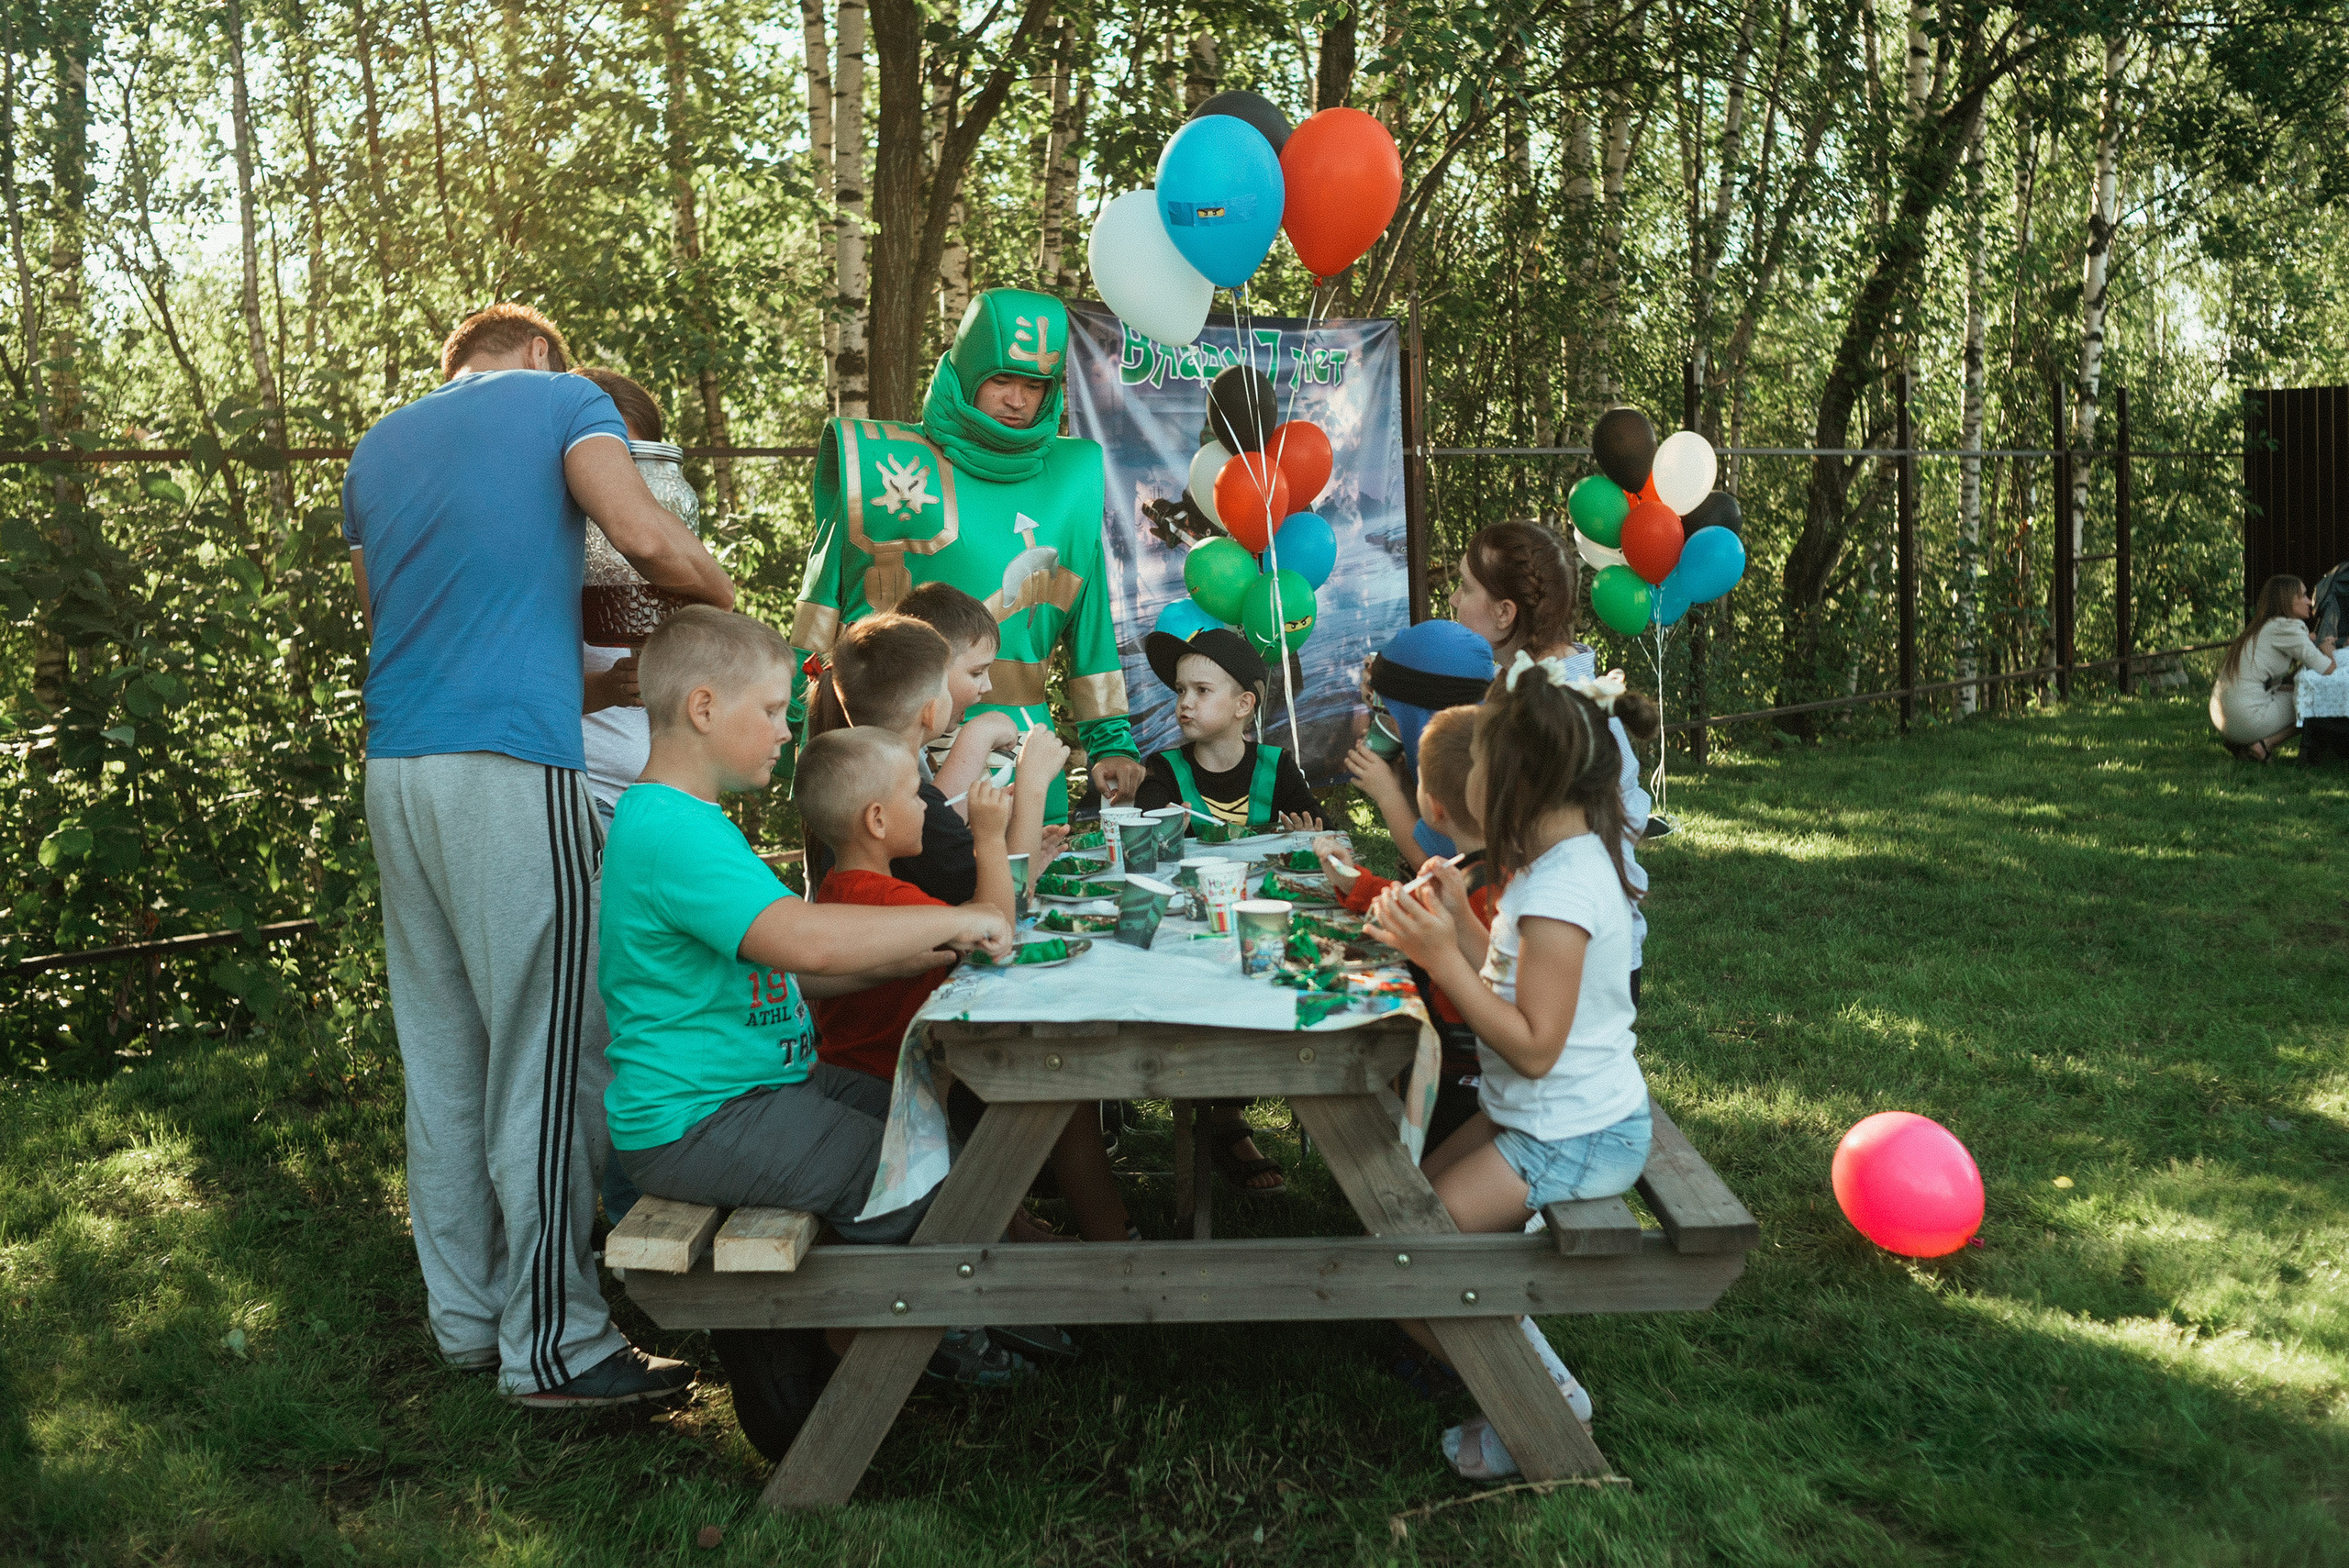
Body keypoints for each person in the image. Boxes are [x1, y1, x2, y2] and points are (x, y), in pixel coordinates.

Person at [344, 302, 733, 1407]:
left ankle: (467, 1317)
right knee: (553, 1056)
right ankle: (558, 1343)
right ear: (539, 355)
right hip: (514, 765)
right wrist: (729, 615)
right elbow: (648, 537)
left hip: (400, 767)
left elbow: (388, 617)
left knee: (446, 1056)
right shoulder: (565, 400)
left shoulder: (380, 444)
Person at [598, 606, 1032, 1430]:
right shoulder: (669, 829)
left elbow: (794, 972)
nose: (784, 727)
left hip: (757, 1088)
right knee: (918, 1176)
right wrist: (953, 920)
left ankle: (862, 1340)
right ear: (702, 708)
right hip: (701, 1117)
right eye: (767, 710)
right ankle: (830, 1370)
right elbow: (802, 941)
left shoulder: (688, 821)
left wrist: (918, 955)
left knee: (939, 1127)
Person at [1366, 657, 1661, 1481]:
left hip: (1573, 1135)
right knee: (1404, 1218)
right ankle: (1516, 1372)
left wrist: (1439, 957)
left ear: (1521, 781)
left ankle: (1542, 1397)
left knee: (1410, 1262)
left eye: (1482, 773)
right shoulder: (1545, 863)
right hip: (1536, 1116)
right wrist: (1459, 923)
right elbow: (1505, 981)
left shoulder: (1564, 890)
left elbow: (1535, 1042)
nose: (1468, 792)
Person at [791, 288, 1146, 816]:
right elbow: (819, 615)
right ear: (967, 372)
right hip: (885, 757)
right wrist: (788, 728)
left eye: (1034, 385)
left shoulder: (1075, 478)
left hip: (1022, 755)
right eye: (1001, 379)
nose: (1017, 400)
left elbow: (1089, 628)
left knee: (1028, 893)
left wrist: (1110, 740)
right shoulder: (881, 461)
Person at [1316, 706, 1494, 1157]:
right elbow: (1405, 900)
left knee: (1426, 1171)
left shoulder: (1479, 886)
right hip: (1469, 1062)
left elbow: (1400, 912)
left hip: (1463, 1072)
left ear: (1432, 806)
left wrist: (1354, 885)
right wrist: (1352, 881)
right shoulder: (1482, 869)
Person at [803, 614, 1067, 898]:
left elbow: (975, 882)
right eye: (946, 687)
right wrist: (1033, 786)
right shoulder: (911, 801)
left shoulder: (855, 780)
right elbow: (1008, 905)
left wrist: (1019, 852)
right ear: (930, 711)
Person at [1133, 627, 1323, 831]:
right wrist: (1162, 838)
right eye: (1181, 690)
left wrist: (1309, 839)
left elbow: (1328, 837)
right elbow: (1139, 845)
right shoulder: (1163, 769)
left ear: (1243, 705)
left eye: (1202, 690)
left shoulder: (1278, 767)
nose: (1185, 702)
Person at [1344, 619, 1497, 860]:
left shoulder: (1468, 764)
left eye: (1388, 711)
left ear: (1418, 715)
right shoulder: (1479, 739)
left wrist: (1388, 795)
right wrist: (1404, 784)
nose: (1383, 719)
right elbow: (1435, 823)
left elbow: (1438, 864)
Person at [2210, 573, 2337, 762]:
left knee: (2298, 690)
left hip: (2224, 718)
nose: (2309, 602)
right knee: (2315, 699)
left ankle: (2243, 744)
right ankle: (2264, 746)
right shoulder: (2288, 628)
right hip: (2244, 719)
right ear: (2287, 600)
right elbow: (2328, 669)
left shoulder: (2264, 626)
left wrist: (2308, 643)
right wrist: (2328, 649)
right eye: (2303, 595)